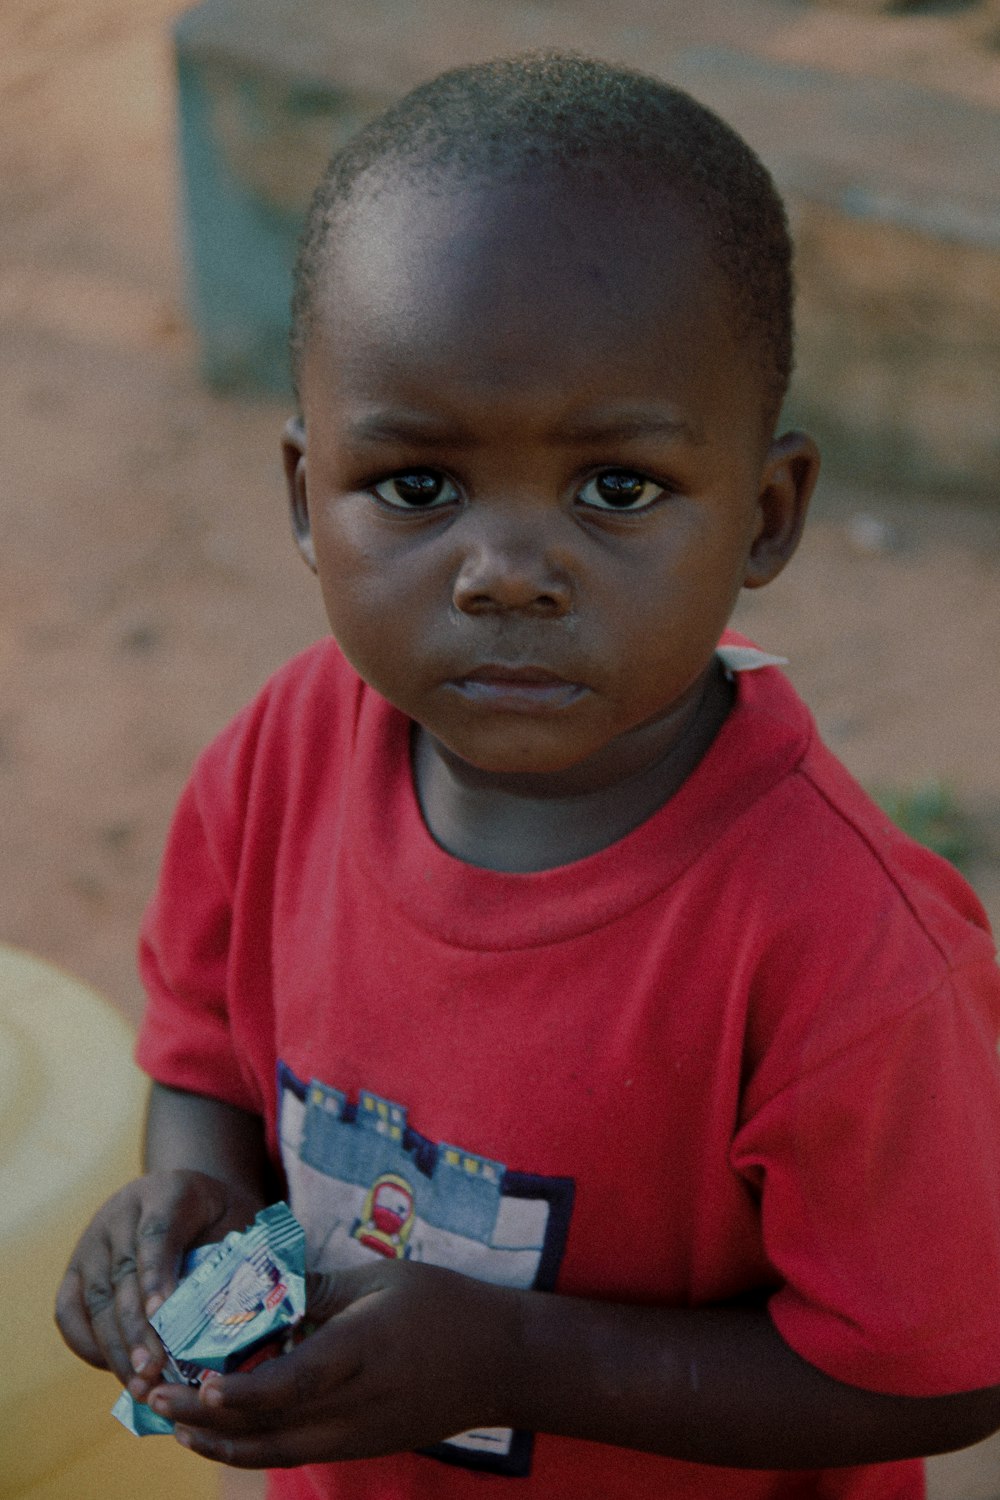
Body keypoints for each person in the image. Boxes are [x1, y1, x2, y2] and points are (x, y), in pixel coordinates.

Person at [55, 51, 1000, 1500]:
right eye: (417, 487)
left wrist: (520, 1361)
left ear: (766, 513)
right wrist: (192, 1198)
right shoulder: (283, 760)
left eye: (617, 488)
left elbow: (942, 1367)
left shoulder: (846, 954)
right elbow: (205, 1061)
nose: (505, 573)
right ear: (306, 499)